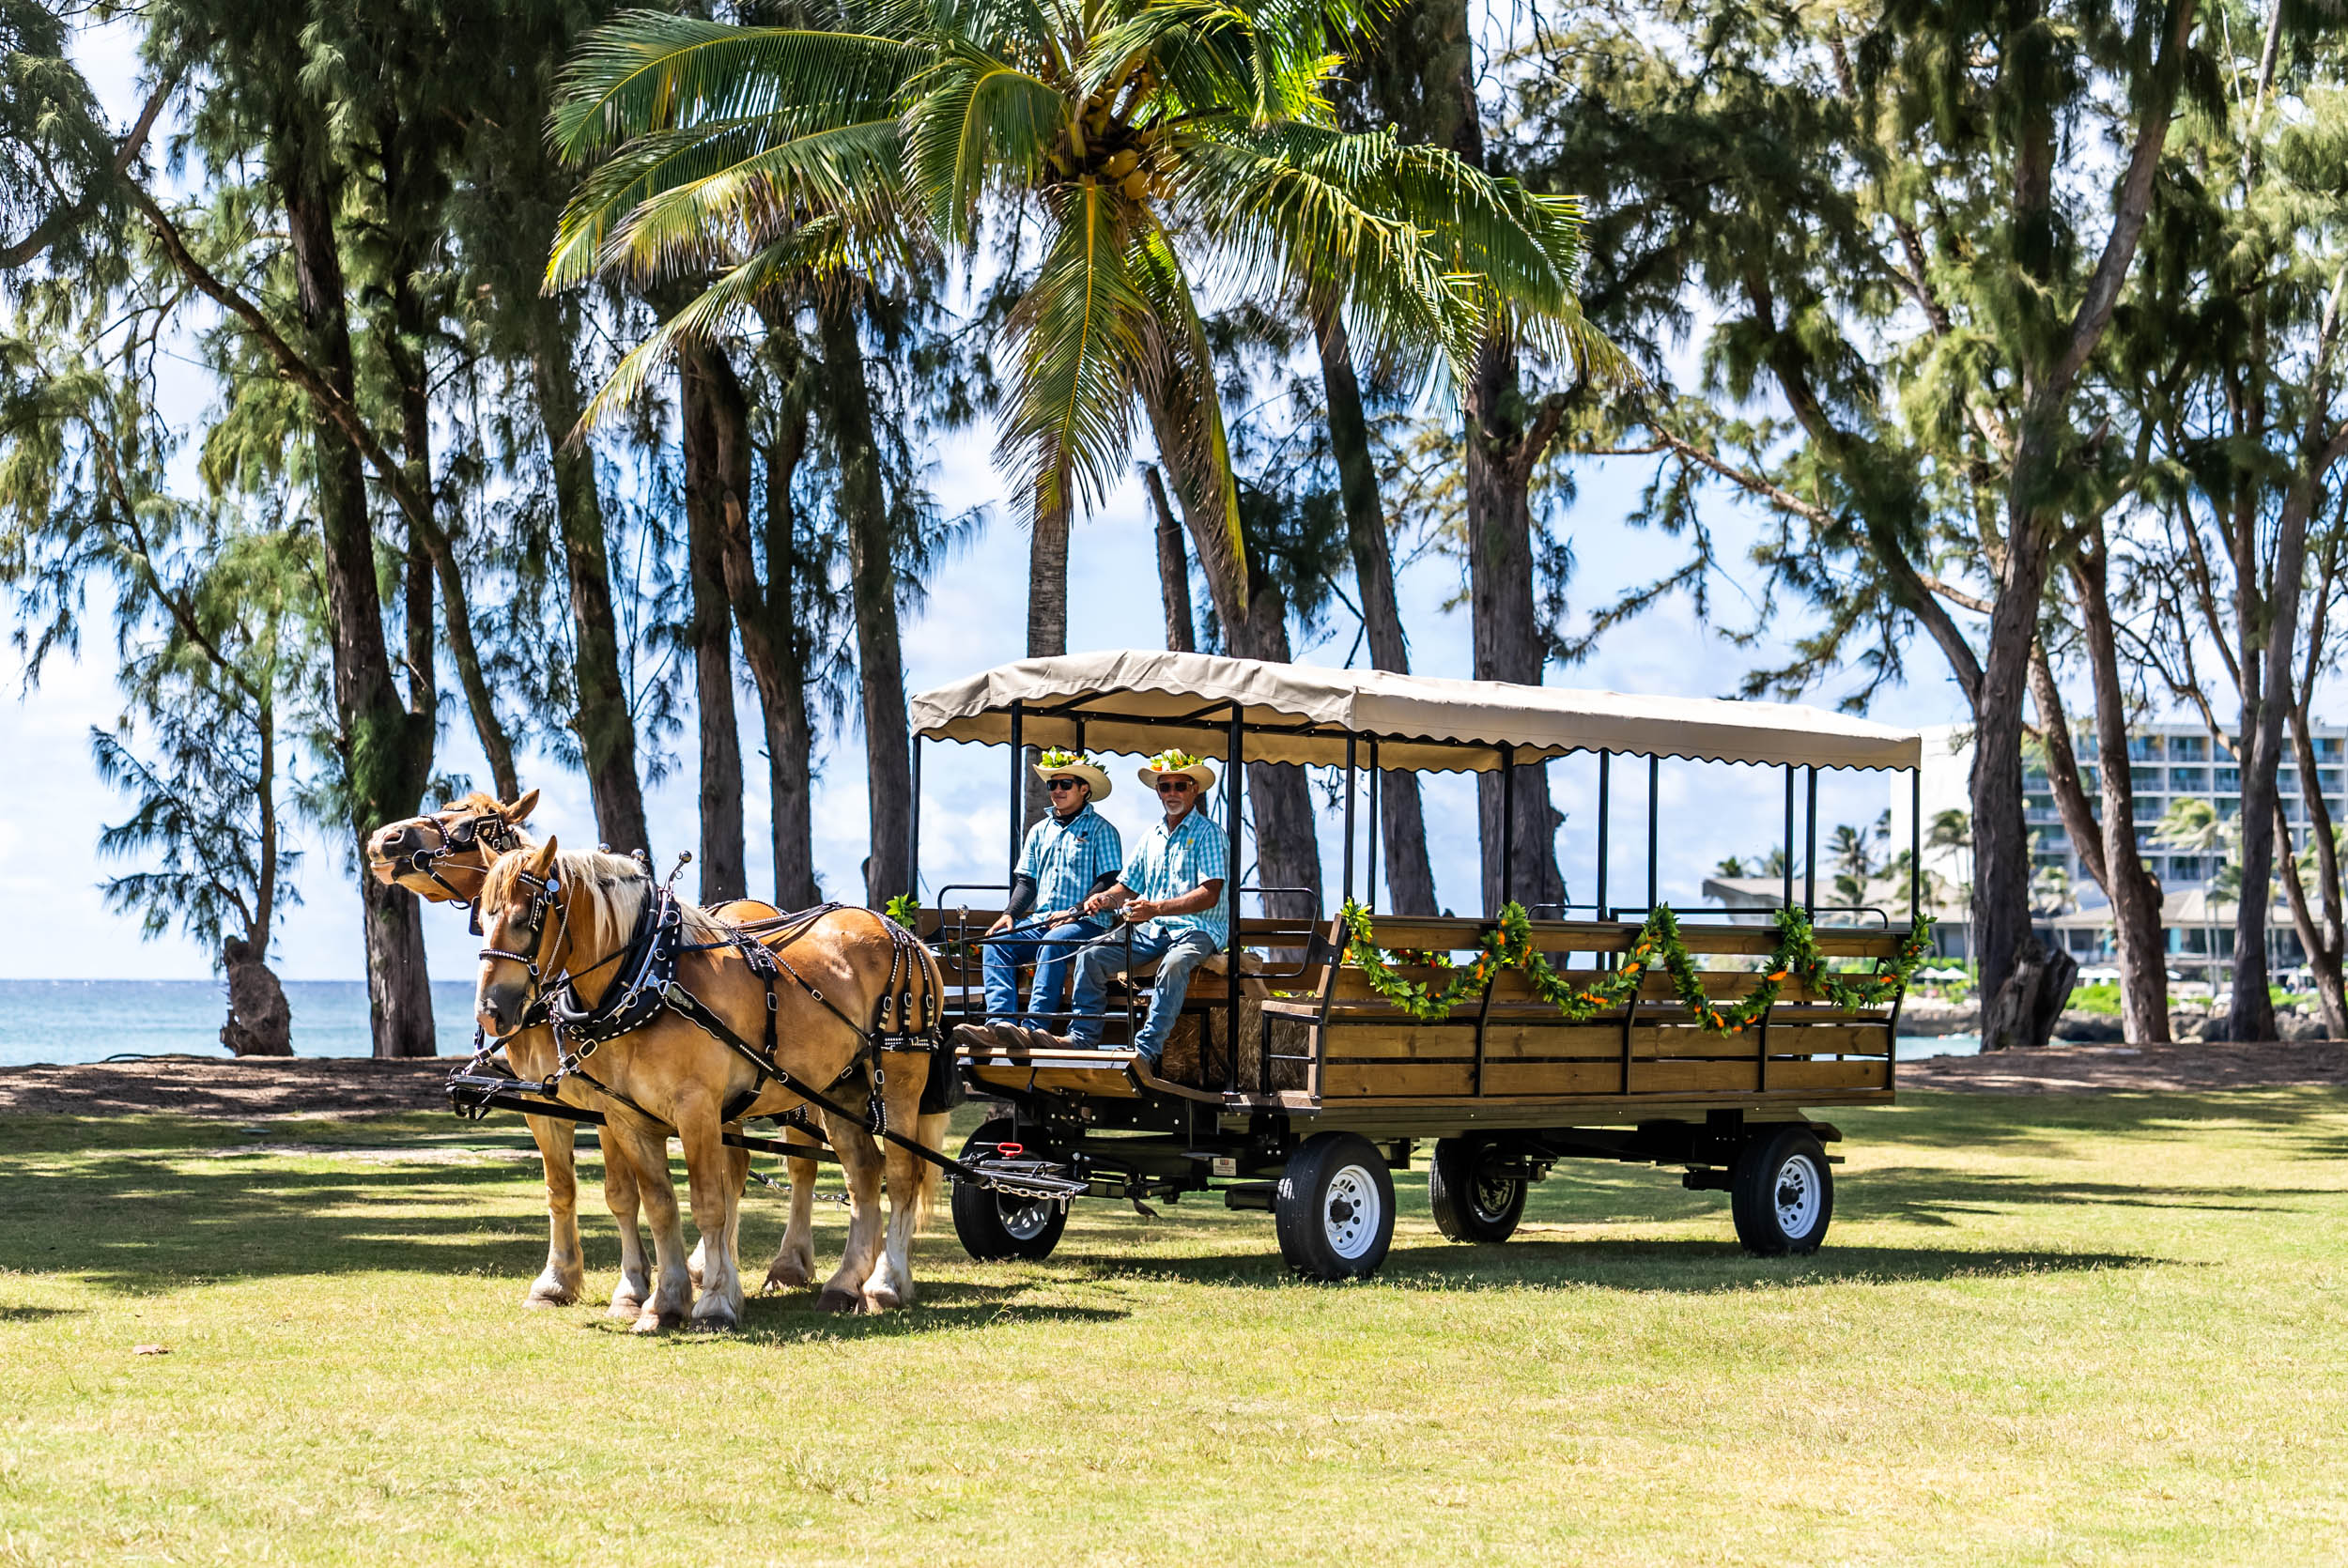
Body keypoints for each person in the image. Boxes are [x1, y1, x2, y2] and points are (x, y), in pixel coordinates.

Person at [1061, 750, 1228, 1066]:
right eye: (1165, 787)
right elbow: (1127, 887)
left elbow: (1210, 895)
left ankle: (1145, 1051)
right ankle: (1081, 1038)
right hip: (1154, 930)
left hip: (1200, 929)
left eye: (1180, 786)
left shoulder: (1209, 833)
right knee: (1090, 955)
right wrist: (1105, 899)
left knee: (1174, 963)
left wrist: (1156, 908)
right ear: (1158, 792)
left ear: (1194, 789)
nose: (1172, 793)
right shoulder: (1151, 836)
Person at [979, 750, 1124, 1040]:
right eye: (1052, 784)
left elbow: (1109, 880)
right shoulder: (1039, 830)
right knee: (996, 943)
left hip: (1088, 923)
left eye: (1065, 784)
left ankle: (1033, 1028)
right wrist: (1009, 914)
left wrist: (1074, 911)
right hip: (1044, 920)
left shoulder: (1102, 830)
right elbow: (1027, 882)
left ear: (1084, 789)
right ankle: (999, 1025)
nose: (1057, 790)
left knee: (1053, 941)